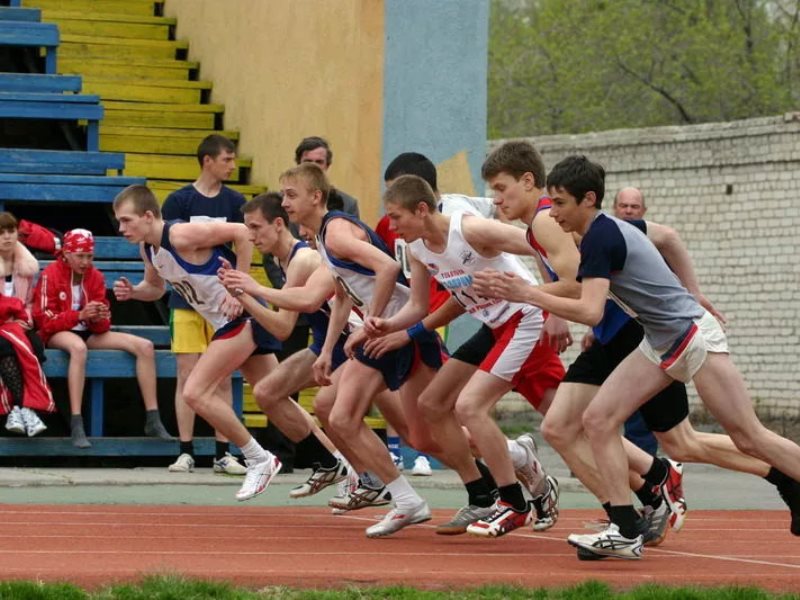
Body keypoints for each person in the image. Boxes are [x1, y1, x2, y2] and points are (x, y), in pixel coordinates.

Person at [477, 155, 800, 559]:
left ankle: (784, 481)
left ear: (587, 200)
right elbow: (664, 239)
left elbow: (590, 310)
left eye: (559, 203)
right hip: (660, 340)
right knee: (598, 419)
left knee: (748, 435)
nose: (552, 212)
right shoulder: (600, 230)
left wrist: (525, 294)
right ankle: (626, 527)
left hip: (692, 337)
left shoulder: (599, 237)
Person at [369, 174, 565, 538]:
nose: (391, 226)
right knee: (433, 403)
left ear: (423, 209)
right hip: (492, 325)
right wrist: (392, 328)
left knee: (481, 409)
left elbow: (543, 244)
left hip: (523, 318)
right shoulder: (418, 248)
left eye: (396, 217)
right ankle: (483, 493)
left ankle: (513, 502)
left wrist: (556, 308)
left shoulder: (470, 230)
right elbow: (422, 305)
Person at [278, 162, 442, 538]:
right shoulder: (324, 236)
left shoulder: (335, 233)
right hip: (386, 328)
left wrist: (369, 320)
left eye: (291, 195)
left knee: (353, 417)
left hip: (396, 328)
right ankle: (509, 460)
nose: (284, 203)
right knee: (420, 434)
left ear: (315, 196)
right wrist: (326, 350)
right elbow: (340, 295)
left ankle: (407, 498)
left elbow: (386, 269)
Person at [216, 192, 354, 498]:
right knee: (267, 392)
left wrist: (245, 293)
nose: (250, 236)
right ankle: (331, 464)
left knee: (416, 428)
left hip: (350, 342)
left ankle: (363, 474)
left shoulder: (302, 259)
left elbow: (281, 328)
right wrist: (242, 293)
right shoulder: (274, 259)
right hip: (325, 342)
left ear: (279, 224)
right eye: (246, 229)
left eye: (255, 228)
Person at [33, 228, 171, 449]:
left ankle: (153, 417)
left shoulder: (95, 276)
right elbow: (44, 322)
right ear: (67, 254)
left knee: (145, 346)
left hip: (88, 330)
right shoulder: (51, 274)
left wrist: (98, 316)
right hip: (58, 332)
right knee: (78, 348)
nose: (85, 261)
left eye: (89, 256)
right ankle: (77, 422)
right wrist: (79, 315)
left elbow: (102, 326)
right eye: (80, 256)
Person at [161, 134, 247, 475]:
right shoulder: (178, 202)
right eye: (227, 159)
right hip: (184, 301)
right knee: (187, 374)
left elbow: (242, 248)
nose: (232, 165)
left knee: (224, 376)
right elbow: (167, 249)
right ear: (208, 160)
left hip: (222, 301)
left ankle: (223, 452)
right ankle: (185, 450)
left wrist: (236, 292)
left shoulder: (236, 202)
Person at [612, 187, 658, 456]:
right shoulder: (606, 240)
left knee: (641, 410)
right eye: (624, 206)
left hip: (644, 335)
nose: (628, 211)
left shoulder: (648, 246)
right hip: (613, 337)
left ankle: (648, 466)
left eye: (634, 207)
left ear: (643, 212)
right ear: (614, 208)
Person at [0, 212, 53, 436]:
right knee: (5, 348)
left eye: (11, 231)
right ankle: (24, 407)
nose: (7, 237)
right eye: (1, 233)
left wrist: (25, 319)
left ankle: (19, 412)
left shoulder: (28, 266)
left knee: (36, 347)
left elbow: (31, 302)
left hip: (20, 325)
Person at [294, 136, 359, 217]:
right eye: (308, 161)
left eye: (319, 162)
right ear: (298, 164)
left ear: (327, 165)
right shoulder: (283, 203)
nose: (313, 167)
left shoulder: (348, 205)